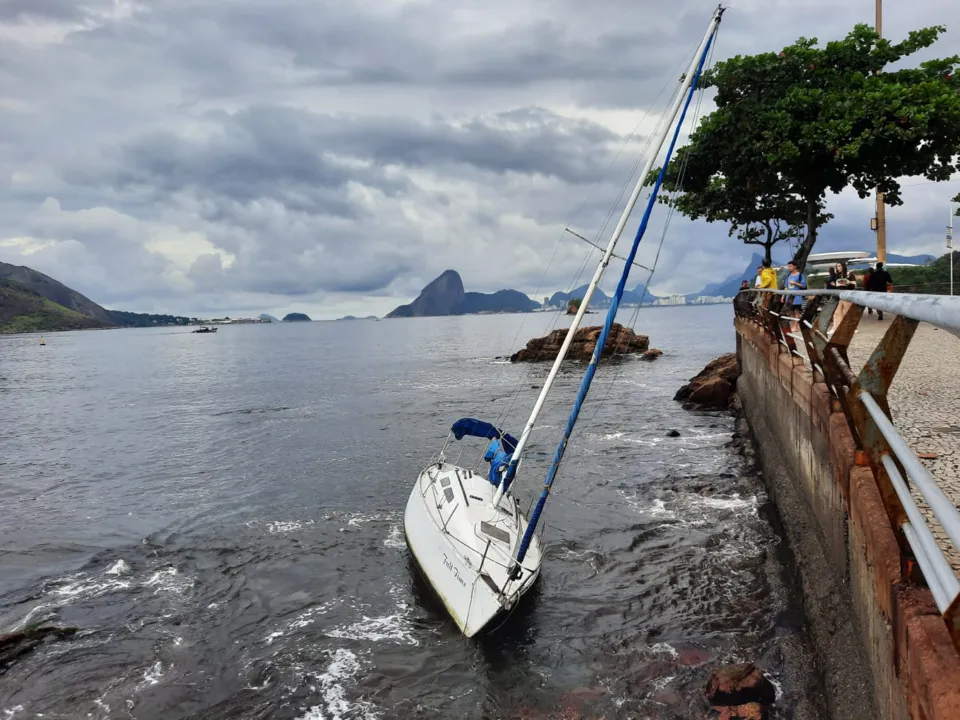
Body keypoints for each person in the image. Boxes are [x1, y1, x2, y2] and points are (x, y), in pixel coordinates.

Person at [783, 259, 806, 332]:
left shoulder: (800, 275)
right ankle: (794, 325)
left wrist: (795, 283)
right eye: (788, 266)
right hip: (789, 297)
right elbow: (786, 287)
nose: (789, 268)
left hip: (797, 297)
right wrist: (783, 296)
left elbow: (803, 285)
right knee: (792, 311)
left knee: (797, 311)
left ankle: (795, 326)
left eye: (790, 266)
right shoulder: (789, 275)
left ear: (794, 266)